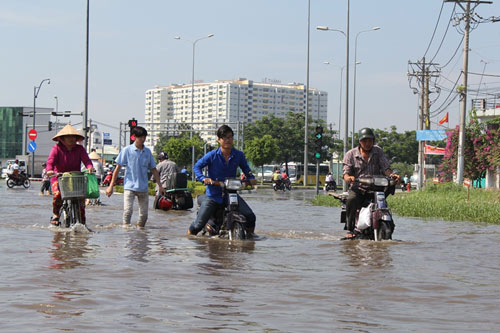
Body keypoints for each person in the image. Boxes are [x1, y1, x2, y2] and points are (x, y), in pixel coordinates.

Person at [188, 125, 257, 236]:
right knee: (197, 225)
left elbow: (246, 169)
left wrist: (251, 178)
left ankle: (250, 239)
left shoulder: (238, 155)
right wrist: (204, 178)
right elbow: (197, 166)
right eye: (225, 137)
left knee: (250, 216)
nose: (228, 140)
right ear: (219, 140)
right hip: (213, 194)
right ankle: (188, 237)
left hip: (231, 194)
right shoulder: (212, 155)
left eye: (230, 137)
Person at [342, 127, 400, 239]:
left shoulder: (378, 151)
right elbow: (346, 173)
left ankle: (386, 223)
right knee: (351, 199)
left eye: (370, 140)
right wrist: (349, 178)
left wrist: (391, 175)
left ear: (373, 141)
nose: (368, 143)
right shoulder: (351, 154)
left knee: (384, 204)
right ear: (360, 141)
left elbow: (385, 167)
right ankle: (350, 228)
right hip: (359, 187)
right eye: (365, 141)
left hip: (377, 188)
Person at [106, 126, 165, 228]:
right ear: (134, 137)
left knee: (144, 216)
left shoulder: (147, 152)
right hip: (129, 186)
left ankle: (140, 235)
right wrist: (111, 186)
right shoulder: (127, 150)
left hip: (143, 187)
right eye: (140, 137)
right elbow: (117, 168)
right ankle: (126, 233)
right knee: (128, 211)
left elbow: (154, 169)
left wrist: (160, 185)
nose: (143, 139)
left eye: (144, 137)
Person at [46, 125, 95, 226]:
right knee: (57, 195)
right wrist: (49, 170)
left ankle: (82, 222)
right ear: (62, 138)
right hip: (59, 177)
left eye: (73, 137)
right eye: (68, 137)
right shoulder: (56, 149)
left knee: (81, 200)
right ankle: (56, 214)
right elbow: (50, 161)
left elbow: (87, 161)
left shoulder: (80, 149)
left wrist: (90, 167)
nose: (71, 139)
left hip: (75, 178)